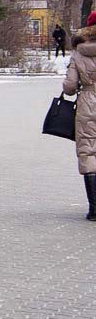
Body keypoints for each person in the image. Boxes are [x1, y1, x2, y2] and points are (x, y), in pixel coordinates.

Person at [63, 12, 96, 221]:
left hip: (87, 105)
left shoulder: (78, 53)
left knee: (88, 152)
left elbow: (69, 87)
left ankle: (94, 208)